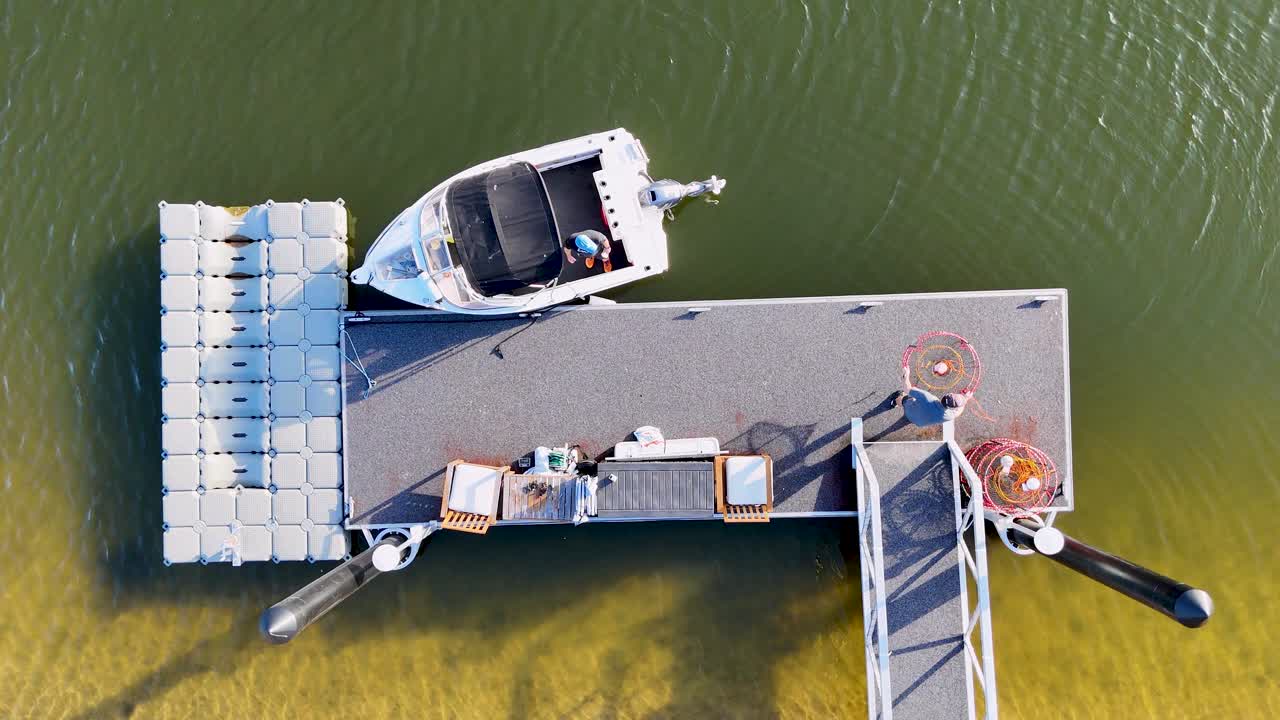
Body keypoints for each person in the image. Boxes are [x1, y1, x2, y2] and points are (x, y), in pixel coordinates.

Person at [894, 365, 972, 427]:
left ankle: (894, 402)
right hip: (918, 422)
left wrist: (906, 375)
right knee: (919, 416)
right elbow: (958, 412)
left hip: (910, 412)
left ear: (948, 394)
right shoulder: (949, 416)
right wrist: (966, 398)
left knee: (904, 398)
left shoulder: (927, 398)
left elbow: (907, 388)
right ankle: (909, 419)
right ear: (952, 408)